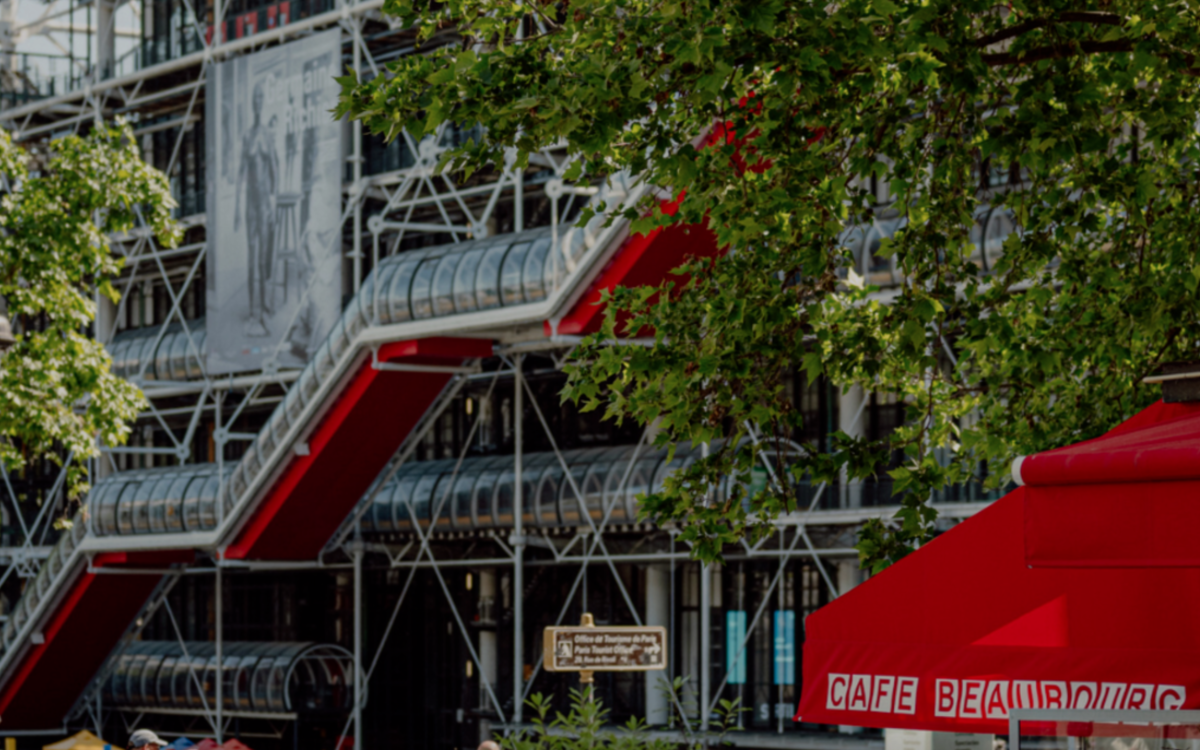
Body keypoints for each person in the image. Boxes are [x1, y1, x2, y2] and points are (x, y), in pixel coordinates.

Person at [233, 79, 279, 338]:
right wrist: (236, 208)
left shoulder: (267, 137)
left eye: (261, 98)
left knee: (263, 260)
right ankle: (254, 312)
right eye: (255, 98)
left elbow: (274, 169)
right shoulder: (249, 136)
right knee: (252, 260)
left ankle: (262, 309)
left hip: (264, 204)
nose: (258, 102)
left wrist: (273, 201)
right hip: (251, 204)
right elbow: (241, 172)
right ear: (252, 103)